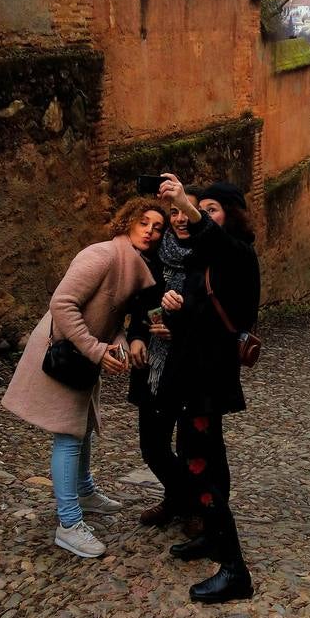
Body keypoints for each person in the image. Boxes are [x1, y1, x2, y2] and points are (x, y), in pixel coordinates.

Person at [1, 198, 161, 558]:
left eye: (158, 227)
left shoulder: (133, 265)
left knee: (83, 424)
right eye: (143, 223)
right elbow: (63, 303)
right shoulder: (102, 255)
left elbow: (111, 319)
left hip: (83, 355)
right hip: (64, 353)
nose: (151, 231)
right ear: (126, 224)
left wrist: (119, 345)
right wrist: (96, 349)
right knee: (69, 434)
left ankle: (85, 491)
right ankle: (69, 524)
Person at [155, 174, 260, 604]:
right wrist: (172, 310)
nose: (201, 217)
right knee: (210, 459)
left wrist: (184, 202)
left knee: (197, 464)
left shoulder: (237, 254)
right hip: (193, 375)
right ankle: (214, 538)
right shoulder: (208, 260)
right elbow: (200, 322)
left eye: (212, 209)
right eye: (204, 209)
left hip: (206, 380)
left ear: (229, 217)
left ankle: (235, 569)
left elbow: (211, 237)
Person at [127, 191, 201, 530]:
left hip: (190, 366)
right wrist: (139, 336)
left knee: (190, 445)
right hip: (154, 367)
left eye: (187, 210)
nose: (181, 218)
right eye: (174, 212)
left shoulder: (208, 257)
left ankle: (192, 506)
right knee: (153, 446)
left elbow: (215, 316)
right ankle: (183, 498)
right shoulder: (153, 255)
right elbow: (139, 306)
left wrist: (182, 331)